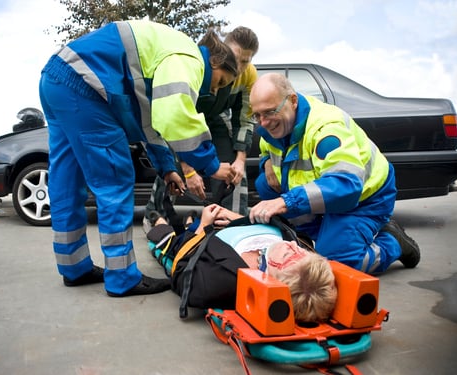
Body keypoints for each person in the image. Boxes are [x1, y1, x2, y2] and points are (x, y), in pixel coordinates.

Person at [38, 20, 238, 297]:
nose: (214, 91)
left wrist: (168, 168)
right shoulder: (190, 57)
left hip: (56, 79)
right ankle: (122, 278)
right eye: (220, 82)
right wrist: (212, 166)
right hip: (87, 86)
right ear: (214, 60)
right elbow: (175, 116)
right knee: (114, 181)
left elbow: (150, 122)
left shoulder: (165, 52)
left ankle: (74, 267)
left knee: (67, 182)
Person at [247, 73, 421, 274]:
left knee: (335, 265)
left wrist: (285, 202)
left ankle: (392, 242)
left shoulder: (326, 128)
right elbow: (265, 144)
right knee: (265, 185)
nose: (263, 123)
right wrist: (266, 161)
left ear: (293, 101)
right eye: (256, 115)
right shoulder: (277, 123)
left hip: (364, 197)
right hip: (328, 193)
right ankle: (324, 238)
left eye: (269, 113)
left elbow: (346, 184)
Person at [143, 26, 260, 231]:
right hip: (186, 115)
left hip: (216, 119)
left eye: (245, 61)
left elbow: (244, 120)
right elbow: (177, 122)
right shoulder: (199, 65)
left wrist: (240, 159)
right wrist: (189, 171)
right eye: (235, 58)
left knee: (232, 167)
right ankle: (156, 215)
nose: (239, 67)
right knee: (172, 162)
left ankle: (232, 222)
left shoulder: (249, 76)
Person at [147, 204, 337, 322]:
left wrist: (203, 227)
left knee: (168, 236)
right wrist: (236, 217)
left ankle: (163, 221)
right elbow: (285, 229)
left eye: (289, 256)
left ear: (274, 282)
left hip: (200, 239)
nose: (293, 246)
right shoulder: (304, 257)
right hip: (233, 223)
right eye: (303, 251)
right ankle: (191, 221)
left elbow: (181, 269)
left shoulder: (221, 281)